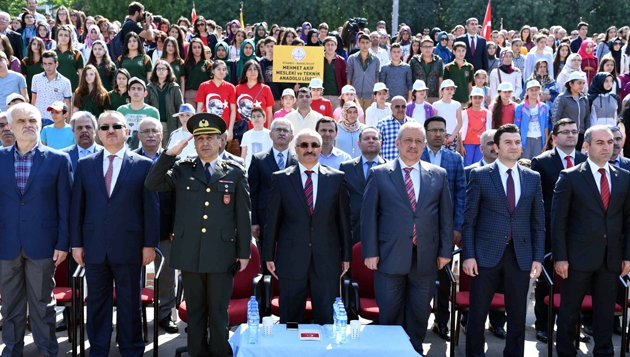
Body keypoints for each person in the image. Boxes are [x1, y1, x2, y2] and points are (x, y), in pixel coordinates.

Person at [70, 110, 159, 357]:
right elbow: (78, 207)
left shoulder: (143, 165)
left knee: (130, 303)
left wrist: (150, 244)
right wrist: (76, 244)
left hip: (130, 246)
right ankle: (98, 349)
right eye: (105, 127)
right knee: (97, 304)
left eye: (116, 126)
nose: (111, 130)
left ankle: (131, 349)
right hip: (94, 246)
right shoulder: (84, 165)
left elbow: (151, 208)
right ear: (98, 133)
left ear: (126, 132)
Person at [362, 121, 453, 355]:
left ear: (424, 144)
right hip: (389, 256)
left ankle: (414, 351)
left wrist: (445, 252)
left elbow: (445, 217)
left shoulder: (439, 175)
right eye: (408, 140)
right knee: (390, 311)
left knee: (419, 311)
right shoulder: (380, 173)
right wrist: (370, 252)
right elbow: (369, 216)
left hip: (426, 257)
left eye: (418, 141)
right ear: (397, 143)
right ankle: (389, 352)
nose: (413, 145)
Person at [462, 124, 545, 357]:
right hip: (485, 255)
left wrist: (538, 258)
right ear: (496, 147)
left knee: (517, 315)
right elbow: (469, 220)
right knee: (477, 314)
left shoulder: (532, 178)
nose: (514, 146)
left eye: (517, 142)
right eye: (508, 142)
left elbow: (538, 222)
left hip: (520, 256)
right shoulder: (479, 176)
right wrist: (468, 254)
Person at [0, 102, 72, 357]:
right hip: (6, 245)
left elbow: (66, 205)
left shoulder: (58, 160)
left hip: (43, 244)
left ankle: (47, 351)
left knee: (43, 306)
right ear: (10, 126)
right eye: (21, 121)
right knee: (10, 306)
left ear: (41, 124)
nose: (28, 125)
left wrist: (63, 243)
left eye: (33, 120)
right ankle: (11, 351)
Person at [552, 125, 630, 357]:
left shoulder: (625, 178)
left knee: (605, 312)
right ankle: (566, 352)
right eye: (600, 142)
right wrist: (561, 257)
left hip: (610, 259)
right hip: (576, 259)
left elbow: (628, 221)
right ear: (585, 147)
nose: (607, 146)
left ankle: (604, 352)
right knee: (569, 312)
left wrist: (627, 255)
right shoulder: (570, 177)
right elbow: (558, 222)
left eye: (610, 142)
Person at [263, 127, 352, 324]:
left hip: (327, 259)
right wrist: (268, 255)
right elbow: (272, 221)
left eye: (314, 145)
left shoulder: (337, 178)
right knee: (290, 319)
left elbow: (344, 221)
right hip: (291, 258)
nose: (309, 149)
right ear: (296, 149)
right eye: (304, 145)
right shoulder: (280, 178)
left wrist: (346, 256)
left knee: (327, 319)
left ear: (321, 149)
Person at [530, 118, 587, 343]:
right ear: (554, 137)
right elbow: (536, 200)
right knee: (548, 280)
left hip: (581, 233)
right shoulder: (542, 162)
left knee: (579, 280)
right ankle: (543, 326)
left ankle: (572, 328)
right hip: (550, 231)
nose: (571, 135)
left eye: (574, 131)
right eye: (565, 132)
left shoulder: (585, 159)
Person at [419, 116, 466, 342]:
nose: (438, 134)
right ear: (425, 133)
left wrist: (457, 226)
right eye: (433, 130)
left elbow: (460, 194)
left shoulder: (455, 159)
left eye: (442, 130)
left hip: (446, 229)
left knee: (443, 279)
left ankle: (441, 321)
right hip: (420, 229)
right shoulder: (416, 153)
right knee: (418, 276)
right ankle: (417, 321)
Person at [131, 116, 178, 334]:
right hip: (136, 231)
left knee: (167, 276)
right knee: (133, 277)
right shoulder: (129, 161)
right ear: (138, 135)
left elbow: (179, 199)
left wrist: (175, 228)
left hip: (165, 229)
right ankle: (135, 316)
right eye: (146, 131)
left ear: (162, 135)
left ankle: (164, 315)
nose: (151, 134)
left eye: (155, 131)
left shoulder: (173, 162)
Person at [248, 117, 298, 251]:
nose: (282, 133)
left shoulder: (299, 161)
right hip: (265, 220)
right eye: (278, 130)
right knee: (266, 260)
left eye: (285, 130)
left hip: (292, 221)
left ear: (291, 137)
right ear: (270, 134)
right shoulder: (258, 160)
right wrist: (254, 222)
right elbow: (253, 193)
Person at [339, 126, 385, 245]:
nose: (371, 140)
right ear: (359, 144)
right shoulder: (346, 167)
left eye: (374, 138)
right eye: (366, 138)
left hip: (382, 228)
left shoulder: (391, 168)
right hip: (354, 228)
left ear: (380, 143)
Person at [145, 59, 184, 147]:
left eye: (163, 68)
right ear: (155, 71)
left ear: (168, 71)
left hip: (170, 124)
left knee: (168, 150)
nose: (161, 71)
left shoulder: (174, 87)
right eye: (158, 69)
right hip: (154, 125)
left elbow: (180, 107)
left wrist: (180, 126)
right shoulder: (149, 87)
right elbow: (146, 106)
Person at [196, 60, 237, 141]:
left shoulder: (231, 87)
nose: (221, 72)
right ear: (213, 71)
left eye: (224, 69)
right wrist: (201, 126)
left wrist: (230, 129)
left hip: (224, 127)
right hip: (207, 126)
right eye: (218, 69)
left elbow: (233, 110)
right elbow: (199, 109)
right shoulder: (204, 86)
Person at [117, 77, 160, 150]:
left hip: (146, 152)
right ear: (129, 92)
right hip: (125, 152)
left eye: (139, 89)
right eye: (133, 89)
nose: (136, 91)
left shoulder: (153, 112)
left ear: (145, 93)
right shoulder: (121, 110)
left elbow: (158, 136)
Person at [31, 50, 71, 127]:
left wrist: (68, 124)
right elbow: (33, 100)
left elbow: (68, 104)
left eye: (50, 64)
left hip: (55, 121)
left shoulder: (65, 82)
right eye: (45, 64)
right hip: (38, 120)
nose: (47, 67)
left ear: (56, 64)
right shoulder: (36, 78)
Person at [553, 71, 590, 150]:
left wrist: (587, 135)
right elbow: (556, 117)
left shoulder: (584, 99)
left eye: (583, 83)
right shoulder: (562, 98)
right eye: (579, 83)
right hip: (565, 134)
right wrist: (556, 134)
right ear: (570, 84)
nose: (582, 86)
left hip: (580, 134)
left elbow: (587, 118)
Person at [515, 80, 550, 159]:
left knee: (537, 162)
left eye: (536, 90)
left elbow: (545, 125)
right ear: (527, 91)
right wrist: (518, 142)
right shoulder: (520, 107)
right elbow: (517, 126)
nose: (534, 92)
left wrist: (546, 142)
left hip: (539, 138)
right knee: (524, 161)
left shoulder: (544, 107)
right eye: (531, 90)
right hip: (525, 139)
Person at [347, 32, 380, 111]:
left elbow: (377, 78)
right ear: (358, 44)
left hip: (370, 95)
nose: (365, 45)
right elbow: (349, 76)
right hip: (355, 95)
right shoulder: (352, 58)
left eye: (367, 43)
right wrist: (349, 92)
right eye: (362, 43)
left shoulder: (376, 59)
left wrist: (376, 95)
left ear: (370, 44)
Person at [377, 95, 416, 161]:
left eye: (403, 107)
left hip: (409, 166)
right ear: (391, 107)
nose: (400, 109)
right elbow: (377, 147)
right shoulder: (382, 124)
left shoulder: (413, 124)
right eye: (397, 106)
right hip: (387, 166)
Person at [461, 87, 492, 165]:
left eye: (480, 98)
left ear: (483, 99)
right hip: (468, 142)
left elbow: (489, 130)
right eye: (475, 98)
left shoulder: (487, 113)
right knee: (467, 164)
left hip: (481, 143)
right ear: (471, 98)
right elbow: (461, 130)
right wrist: (461, 146)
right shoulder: (465, 113)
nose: (477, 100)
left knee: (478, 164)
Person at [54, 25, 83, 92]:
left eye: (66, 35)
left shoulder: (77, 54)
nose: (63, 37)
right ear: (57, 37)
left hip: (73, 88)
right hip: (55, 89)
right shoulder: (52, 53)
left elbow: (81, 75)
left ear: (70, 37)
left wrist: (80, 88)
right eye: (61, 35)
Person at [322, 36, 346, 110]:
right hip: (322, 95)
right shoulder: (319, 59)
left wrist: (342, 93)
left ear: (336, 47)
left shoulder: (341, 61)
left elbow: (344, 78)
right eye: (328, 44)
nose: (330, 47)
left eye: (332, 45)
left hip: (336, 95)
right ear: (324, 47)